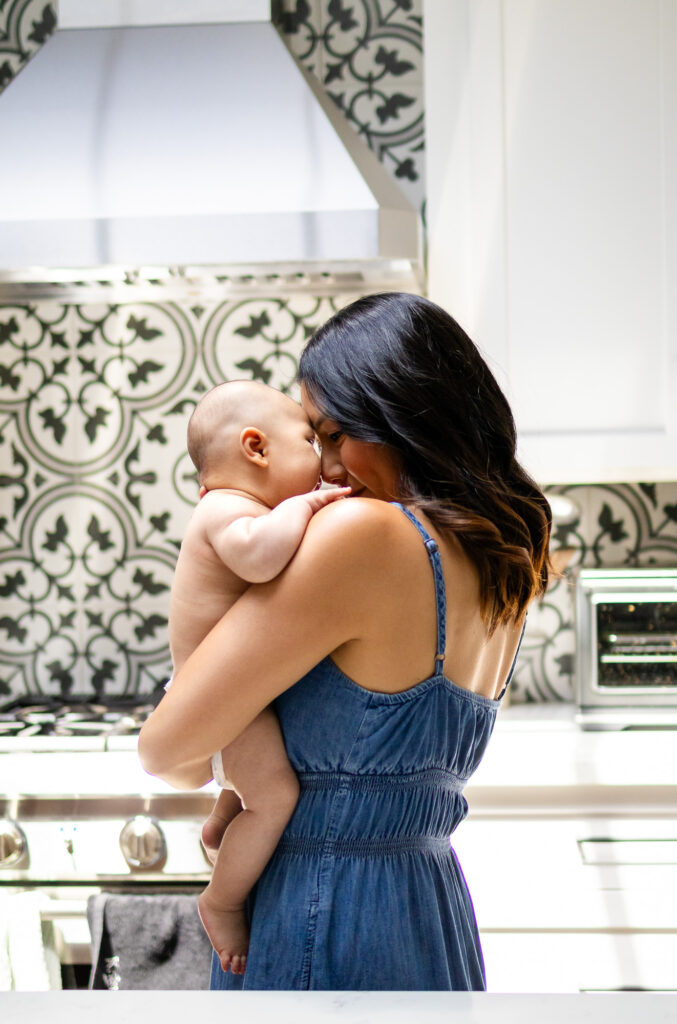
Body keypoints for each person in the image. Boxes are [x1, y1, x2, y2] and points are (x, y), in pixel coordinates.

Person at [140, 293, 552, 991]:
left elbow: (167, 751)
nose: (326, 467)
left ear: (397, 416)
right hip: (428, 911)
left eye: (333, 435)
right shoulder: (502, 557)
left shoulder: (360, 537)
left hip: (321, 915)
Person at [167, 380, 350, 974]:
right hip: (219, 700)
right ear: (257, 448)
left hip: (233, 695)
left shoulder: (241, 507)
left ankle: (224, 818)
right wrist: (307, 507)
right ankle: (220, 901)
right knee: (275, 797)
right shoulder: (227, 510)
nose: (322, 462)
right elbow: (260, 557)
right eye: (308, 440)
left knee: (251, 784)